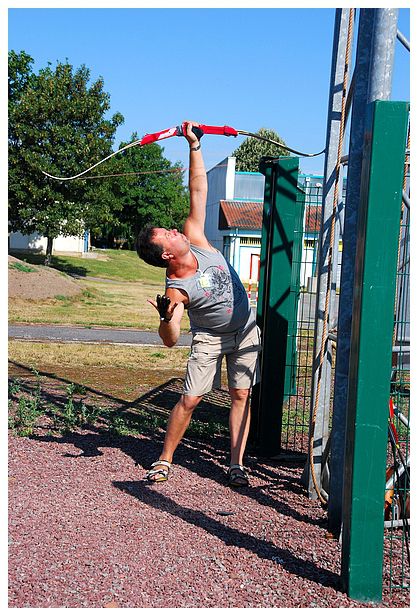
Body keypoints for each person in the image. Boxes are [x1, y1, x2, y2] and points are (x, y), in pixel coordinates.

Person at [135, 121, 261, 487]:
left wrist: (194, 146)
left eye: (171, 229)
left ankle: (236, 464)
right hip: (209, 338)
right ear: (165, 257)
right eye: (167, 236)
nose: (175, 231)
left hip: (246, 330)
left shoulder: (195, 237)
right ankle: (164, 460)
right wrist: (165, 318)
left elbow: (198, 190)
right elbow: (171, 339)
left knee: (241, 394)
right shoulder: (176, 287)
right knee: (190, 400)